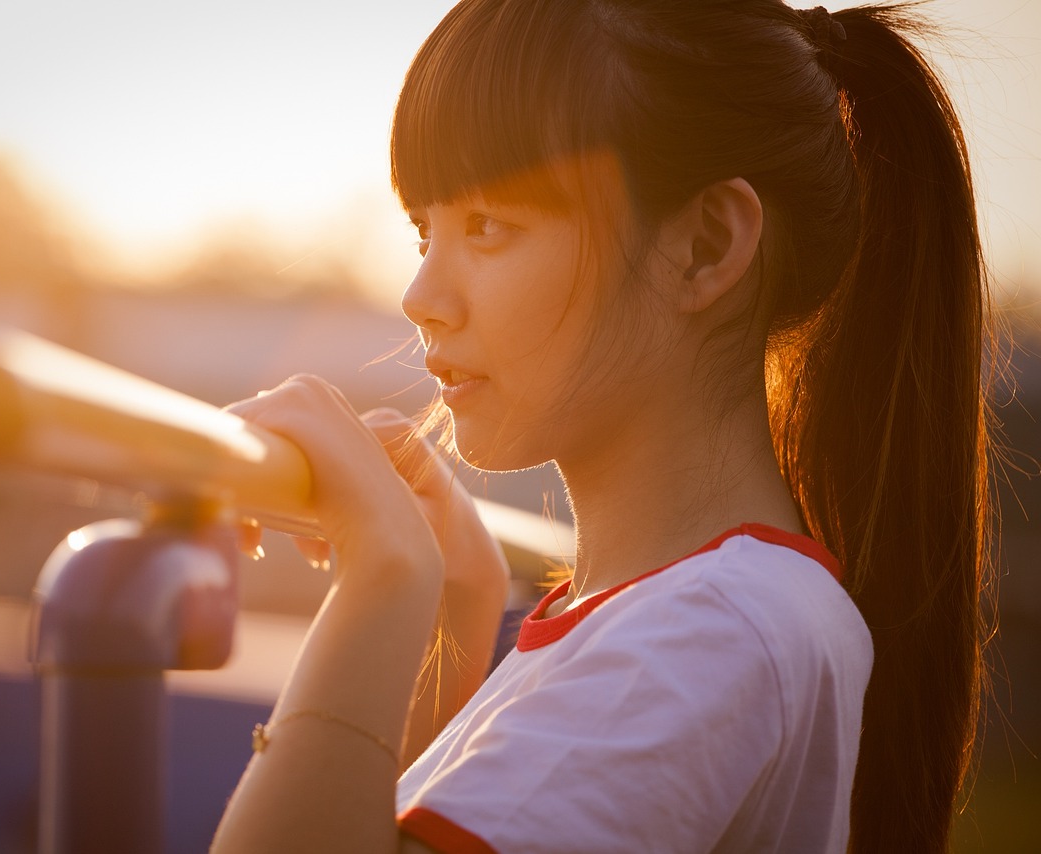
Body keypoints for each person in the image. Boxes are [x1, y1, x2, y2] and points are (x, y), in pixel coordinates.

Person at [211, 1, 995, 851]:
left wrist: (382, 577)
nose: (420, 298)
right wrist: (454, 603)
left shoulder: (711, 633)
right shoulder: (695, 616)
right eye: (424, 231)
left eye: (488, 225)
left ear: (702, 245)